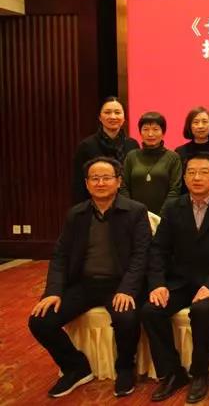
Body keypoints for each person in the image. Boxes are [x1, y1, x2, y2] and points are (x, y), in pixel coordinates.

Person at [29, 157, 150, 398]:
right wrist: (53, 292)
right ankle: (76, 367)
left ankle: (125, 367)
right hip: (84, 284)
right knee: (40, 321)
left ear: (118, 181)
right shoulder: (76, 214)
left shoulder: (135, 211)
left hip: (119, 284)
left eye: (106, 178)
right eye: (95, 178)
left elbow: (141, 255)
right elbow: (61, 255)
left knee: (126, 317)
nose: (100, 183)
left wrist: (127, 289)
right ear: (86, 183)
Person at [140, 152, 209, 403]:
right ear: (185, 178)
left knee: (202, 311)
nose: (197, 177)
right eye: (191, 172)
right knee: (151, 310)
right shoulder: (173, 208)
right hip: (180, 281)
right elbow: (158, 250)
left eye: (204, 172)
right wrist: (157, 284)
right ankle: (172, 373)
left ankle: (199, 374)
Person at [71, 97, 139, 203]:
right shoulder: (86, 146)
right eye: (107, 112)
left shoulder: (132, 145)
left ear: (124, 117)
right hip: (96, 204)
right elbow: (79, 183)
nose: (113, 116)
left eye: (117, 112)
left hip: (128, 204)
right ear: (99, 117)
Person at [120, 111, 182, 214]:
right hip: (134, 216)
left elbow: (174, 190)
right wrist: (131, 212)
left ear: (163, 132)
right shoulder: (131, 156)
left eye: (155, 129)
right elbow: (123, 186)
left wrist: (161, 216)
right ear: (140, 132)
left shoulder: (173, 157)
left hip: (164, 216)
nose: (150, 134)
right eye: (145, 129)